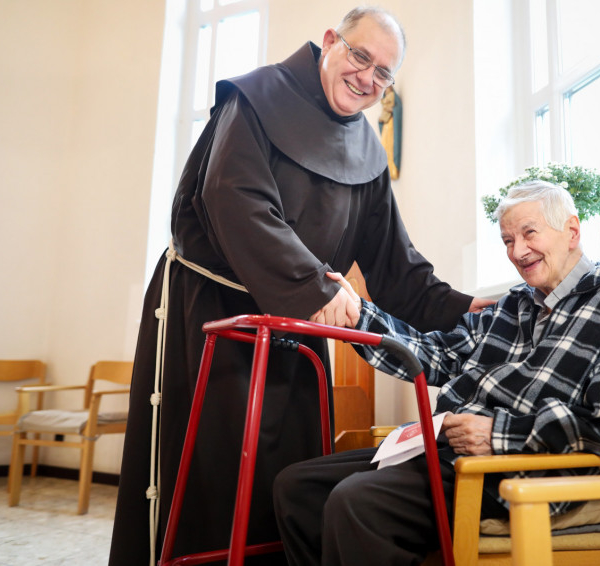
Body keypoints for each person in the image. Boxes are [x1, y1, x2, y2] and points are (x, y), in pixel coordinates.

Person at [109, 7, 492, 566]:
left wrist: (466, 309)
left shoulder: (368, 151)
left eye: (383, 73)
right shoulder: (258, 96)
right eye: (360, 56)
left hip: (296, 333)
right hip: (215, 318)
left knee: (285, 481)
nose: (367, 77)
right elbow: (234, 198)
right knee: (214, 480)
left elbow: (397, 267)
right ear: (331, 40)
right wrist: (314, 286)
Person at [273, 180, 600, 565]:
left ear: (572, 231)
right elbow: (435, 355)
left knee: (357, 503)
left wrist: (499, 434)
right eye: (508, 240)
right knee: (297, 488)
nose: (518, 251)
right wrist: (360, 317)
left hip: (515, 469)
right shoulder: (513, 305)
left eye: (529, 233)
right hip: (449, 450)